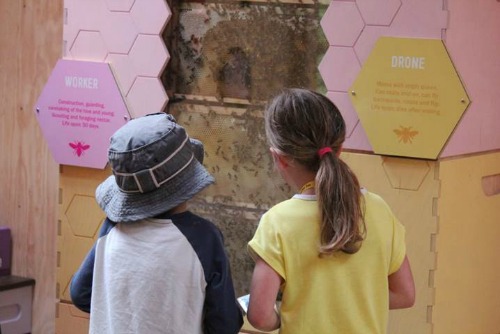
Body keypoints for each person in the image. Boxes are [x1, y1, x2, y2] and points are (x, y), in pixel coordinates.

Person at [247, 88, 415, 333]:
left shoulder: (278, 222)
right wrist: (351, 302)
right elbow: (404, 294)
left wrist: (292, 313)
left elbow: (260, 317)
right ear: (340, 148)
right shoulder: (378, 209)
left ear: (279, 158)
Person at [70, 113, 243, 334]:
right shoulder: (204, 239)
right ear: (186, 182)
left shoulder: (112, 228)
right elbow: (225, 325)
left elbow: (80, 293)